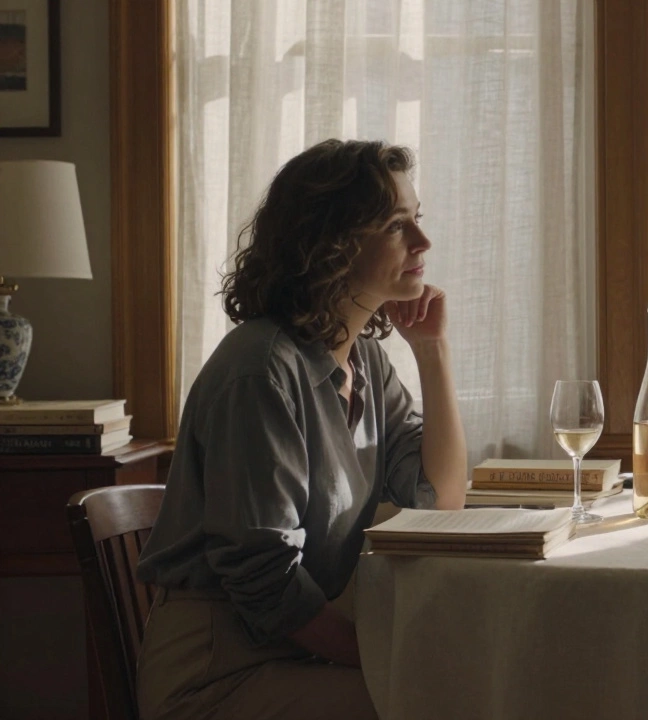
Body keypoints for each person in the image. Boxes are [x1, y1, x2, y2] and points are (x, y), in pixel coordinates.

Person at [134, 139, 467, 720]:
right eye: (396, 225)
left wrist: (433, 353)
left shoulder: (365, 360)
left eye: (416, 219)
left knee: (459, 691)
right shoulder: (262, 370)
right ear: (332, 246)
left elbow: (440, 500)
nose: (423, 242)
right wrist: (380, 658)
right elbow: (264, 578)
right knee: (445, 701)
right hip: (217, 677)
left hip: (287, 657)